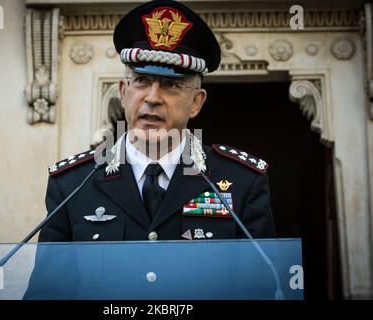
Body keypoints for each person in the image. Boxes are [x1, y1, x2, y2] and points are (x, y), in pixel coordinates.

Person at [38, 0, 275, 242]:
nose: (152, 98)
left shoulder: (242, 182)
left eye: (171, 85)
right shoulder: (72, 185)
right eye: (141, 80)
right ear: (122, 91)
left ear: (196, 102)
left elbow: (261, 278)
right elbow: (52, 280)